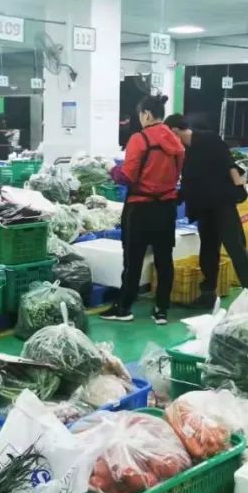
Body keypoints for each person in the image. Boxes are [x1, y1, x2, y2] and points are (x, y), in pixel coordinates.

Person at [101, 94, 186, 325]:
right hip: (166, 207)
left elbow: (127, 176)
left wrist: (111, 169)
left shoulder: (139, 139)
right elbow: (177, 173)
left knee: (133, 260)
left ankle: (124, 307)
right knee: (164, 259)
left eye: (140, 115)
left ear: (146, 114)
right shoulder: (176, 141)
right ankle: (161, 310)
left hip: (140, 208)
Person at [168, 114, 248, 305]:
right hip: (203, 206)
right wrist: (178, 197)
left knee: (235, 247)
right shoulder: (184, 151)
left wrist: (239, 187)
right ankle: (207, 294)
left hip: (222, 203)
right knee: (208, 250)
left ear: (175, 131)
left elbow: (228, 163)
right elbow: (190, 180)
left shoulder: (209, 139)